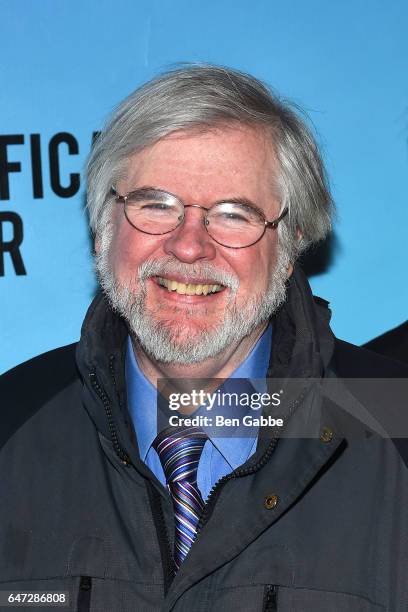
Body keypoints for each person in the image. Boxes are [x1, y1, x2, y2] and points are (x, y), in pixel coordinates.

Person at [1, 65, 407, 612]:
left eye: (234, 213)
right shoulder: (12, 420)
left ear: (289, 247)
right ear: (102, 228)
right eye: (156, 205)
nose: (189, 246)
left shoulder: (394, 425)